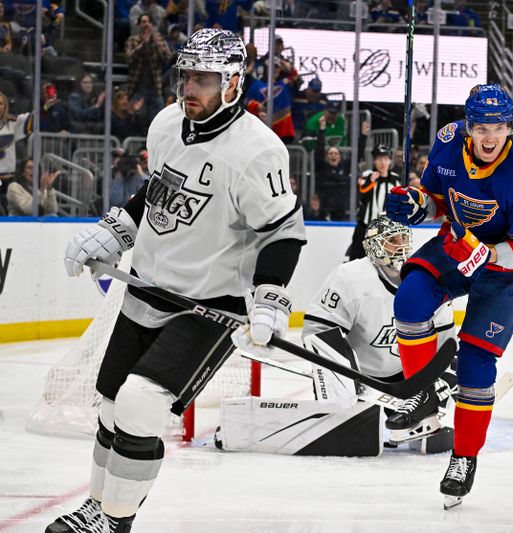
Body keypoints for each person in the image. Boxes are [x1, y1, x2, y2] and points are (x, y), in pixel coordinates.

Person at [49, 28, 306, 532]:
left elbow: (282, 231)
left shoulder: (258, 152)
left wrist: (271, 295)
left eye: (204, 78)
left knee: (140, 405)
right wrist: (118, 229)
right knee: (108, 410)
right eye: (186, 75)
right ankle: (95, 510)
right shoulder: (168, 123)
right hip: (145, 289)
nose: (190, 88)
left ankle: (115, 522)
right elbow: (159, 189)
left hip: (209, 306)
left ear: (233, 84)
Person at [386, 84, 513, 509]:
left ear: (510, 128)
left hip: (508, 270)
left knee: (477, 363)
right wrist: (416, 206)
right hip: (458, 244)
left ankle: (463, 457)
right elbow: (438, 202)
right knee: (409, 302)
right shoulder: (447, 141)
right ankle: (422, 393)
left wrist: (488, 253)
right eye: (481, 127)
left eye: (498, 127)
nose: (490, 137)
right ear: (468, 129)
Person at [215, 216, 457, 455]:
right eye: (393, 240)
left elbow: (446, 341)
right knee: (348, 424)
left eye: (405, 238)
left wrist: (436, 383)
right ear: (374, 246)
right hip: (358, 375)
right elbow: (318, 328)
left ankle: (413, 410)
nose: (402, 246)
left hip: (405, 378)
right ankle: (342, 403)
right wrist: (338, 375)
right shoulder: (350, 277)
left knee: (431, 430)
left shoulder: (425, 278)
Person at [346, 144, 402, 260]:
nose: (382, 162)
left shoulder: (396, 179)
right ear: (374, 161)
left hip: (386, 229)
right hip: (365, 226)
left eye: (385, 159)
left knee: (384, 262)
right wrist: (371, 181)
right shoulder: (367, 176)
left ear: (390, 161)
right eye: (379, 159)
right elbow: (361, 194)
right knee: (357, 259)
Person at [125, 14, 174, 127]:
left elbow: (167, 57)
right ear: (139, 25)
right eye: (143, 22)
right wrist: (144, 44)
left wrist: (155, 42)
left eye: (148, 22)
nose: (146, 24)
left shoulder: (159, 40)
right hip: (138, 88)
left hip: (155, 89)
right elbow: (129, 58)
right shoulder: (132, 40)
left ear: (152, 24)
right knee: (138, 118)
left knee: (157, 120)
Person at [0, 91, 33, 198]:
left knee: (9, 205)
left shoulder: (12, 123)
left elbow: (32, 118)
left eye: (1, 104)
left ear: (5, 106)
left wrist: (44, 106)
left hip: (9, 176)